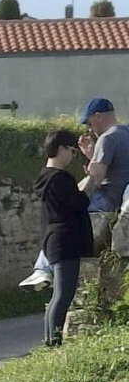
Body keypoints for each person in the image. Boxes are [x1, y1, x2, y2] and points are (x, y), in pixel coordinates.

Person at [20, 98, 129, 289]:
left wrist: (76, 187)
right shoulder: (125, 133)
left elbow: (96, 177)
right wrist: (92, 155)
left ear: (98, 116)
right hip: (121, 197)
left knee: (61, 219)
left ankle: (42, 269)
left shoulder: (107, 138)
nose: (89, 129)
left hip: (106, 198)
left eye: (89, 123)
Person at [33, 129, 94, 346]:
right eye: (72, 151)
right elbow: (79, 203)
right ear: (61, 149)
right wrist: (92, 179)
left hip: (53, 240)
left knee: (57, 296)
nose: (72, 156)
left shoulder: (45, 177)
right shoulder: (60, 178)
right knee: (63, 295)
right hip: (66, 241)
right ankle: (54, 342)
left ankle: (49, 340)